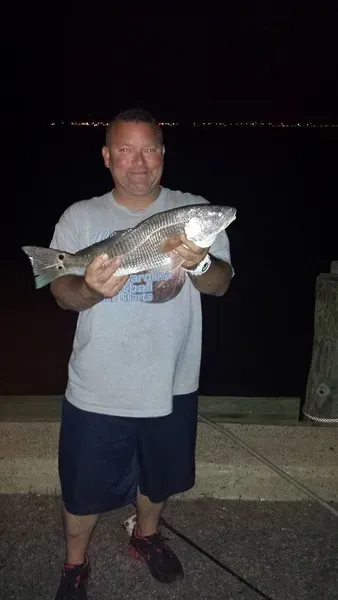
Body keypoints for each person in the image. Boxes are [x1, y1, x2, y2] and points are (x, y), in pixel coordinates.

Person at [50, 107, 234, 599]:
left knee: (159, 478)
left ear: (162, 155)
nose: (138, 163)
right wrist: (89, 289)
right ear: (107, 156)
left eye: (149, 149)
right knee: (83, 487)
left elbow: (221, 285)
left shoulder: (193, 211)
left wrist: (200, 263)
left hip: (172, 380)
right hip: (98, 383)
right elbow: (59, 291)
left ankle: (146, 534)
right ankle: (74, 564)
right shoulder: (80, 216)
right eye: (125, 150)